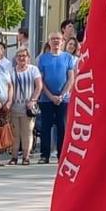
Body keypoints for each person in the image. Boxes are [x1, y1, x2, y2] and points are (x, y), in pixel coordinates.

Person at [35, 33, 75, 164]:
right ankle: (44, 155)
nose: (56, 41)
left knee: (62, 127)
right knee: (45, 127)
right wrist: (50, 96)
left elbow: (71, 78)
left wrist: (62, 95)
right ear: (49, 42)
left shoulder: (68, 58)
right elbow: (41, 80)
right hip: (46, 99)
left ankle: (61, 154)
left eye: (58, 39)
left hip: (63, 99)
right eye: (53, 39)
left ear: (62, 41)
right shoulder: (43, 59)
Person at [6, 46, 40, 165]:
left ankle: (26, 157)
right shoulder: (11, 71)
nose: (21, 58)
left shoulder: (33, 70)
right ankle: (14, 157)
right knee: (15, 133)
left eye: (24, 56)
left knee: (27, 132)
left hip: (28, 107)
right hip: (14, 106)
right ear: (15, 58)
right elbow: (9, 87)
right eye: (19, 56)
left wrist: (33, 100)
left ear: (28, 58)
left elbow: (39, 86)